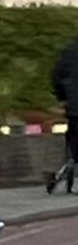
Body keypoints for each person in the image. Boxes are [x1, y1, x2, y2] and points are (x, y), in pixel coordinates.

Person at [48, 36, 78, 193]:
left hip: (74, 106)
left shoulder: (70, 52)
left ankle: (70, 164)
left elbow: (56, 76)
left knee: (74, 139)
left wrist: (62, 96)